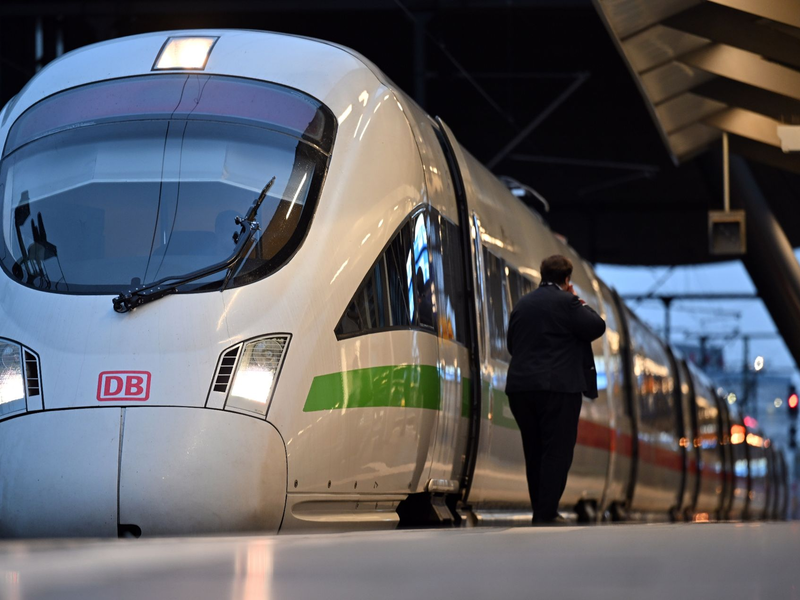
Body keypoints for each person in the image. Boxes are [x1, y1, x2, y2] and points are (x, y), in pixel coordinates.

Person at [506, 254, 606, 525]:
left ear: (543, 275)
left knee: (534, 451)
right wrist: (577, 299)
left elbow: (512, 345)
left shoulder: (522, 304)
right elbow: (597, 326)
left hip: (520, 390)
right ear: (567, 279)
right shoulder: (568, 302)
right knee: (557, 451)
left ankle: (540, 511)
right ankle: (546, 513)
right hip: (557, 389)